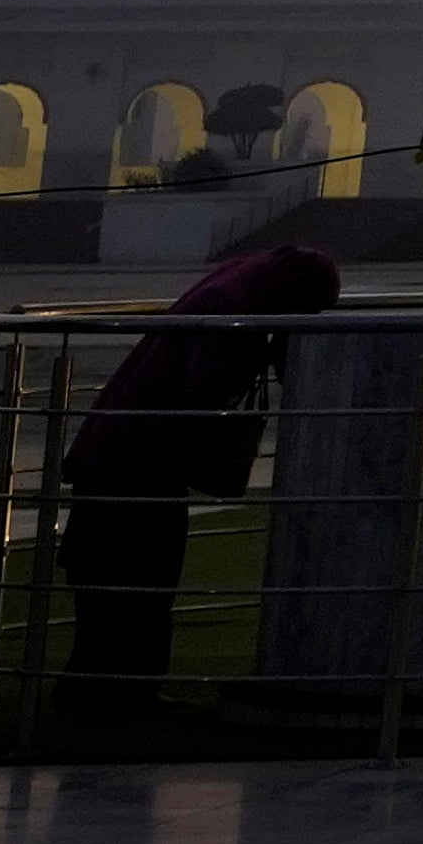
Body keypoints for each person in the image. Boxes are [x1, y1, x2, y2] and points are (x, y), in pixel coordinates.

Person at [59, 230, 341, 695]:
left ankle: (106, 684)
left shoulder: (240, 286)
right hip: (141, 456)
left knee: (120, 574)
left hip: (124, 447)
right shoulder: (232, 313)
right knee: (140, 574)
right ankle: (117, 687)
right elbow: (205, 389)